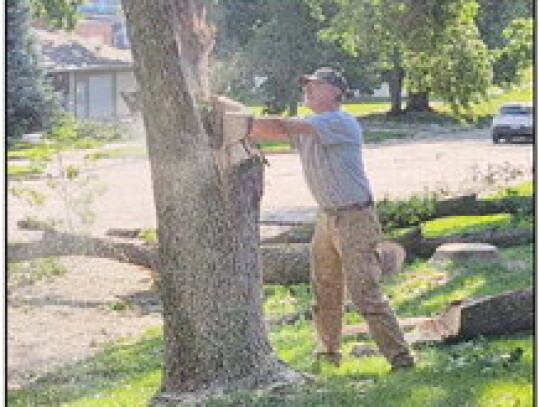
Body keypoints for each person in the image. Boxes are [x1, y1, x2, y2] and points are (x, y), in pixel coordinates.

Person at [247, 67, 415, 370]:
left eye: (316, 85)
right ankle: (328, 354)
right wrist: (241, 128)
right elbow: (272, 133)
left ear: (335, 93)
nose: (308, 90)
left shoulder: (339, 121)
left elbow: (279, 127)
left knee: (365, 292)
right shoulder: (308, 125)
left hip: (355, 217)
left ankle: (401, 358)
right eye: (307, 85)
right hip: (327, 217)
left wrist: (234, 121)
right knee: (324, 288)